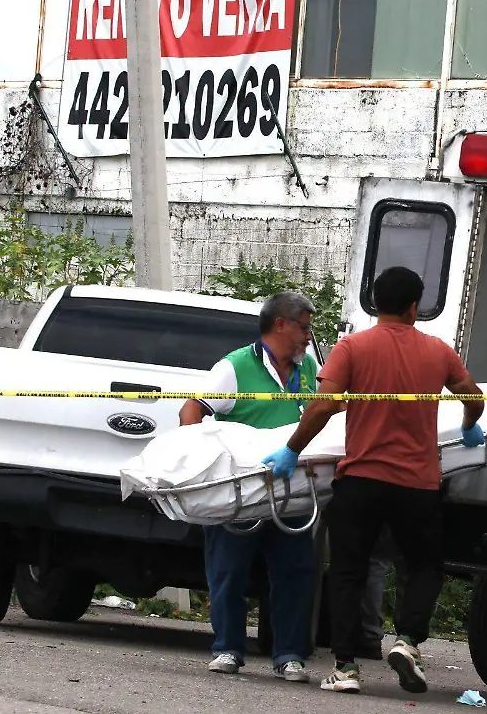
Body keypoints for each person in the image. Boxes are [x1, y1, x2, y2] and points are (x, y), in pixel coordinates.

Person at [263, 266, 486, 695]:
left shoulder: (352, 347)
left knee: (349, 571)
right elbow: (473, 396)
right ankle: (407, 640)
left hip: (361, 480)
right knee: (424, 566)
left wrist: (292, 449)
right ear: (414, 307)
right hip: (418, 484)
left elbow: (323, 405)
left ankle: (345, 668)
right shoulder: (438, 351)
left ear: (375, 303)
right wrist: (468, 424)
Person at [179, 291, 324, 684]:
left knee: (294, 572)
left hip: (291, 491)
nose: (308, 337)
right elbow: (191, 411)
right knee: (228, 571)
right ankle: (227, 647)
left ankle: (288, 655)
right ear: (280, 324)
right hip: (241, 493)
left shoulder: (308, 368)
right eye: (304, 328)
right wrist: (200, 464)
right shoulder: (235, 367)